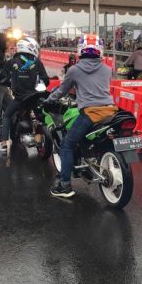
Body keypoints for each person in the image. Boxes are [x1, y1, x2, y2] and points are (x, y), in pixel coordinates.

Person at [45, 34, 115, 198]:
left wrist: (48, 99)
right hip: (110, 110)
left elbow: (62, 91)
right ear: (100, 50)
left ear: (80, 50)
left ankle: (65, 186)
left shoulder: (74, 70)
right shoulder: (107, 70)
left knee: (67, 145)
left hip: (90, 113)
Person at [0, 37, 49, 153]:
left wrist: (9, 83)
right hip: (35, 96)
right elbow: (45, 80)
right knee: (40, 117)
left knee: (7, 115)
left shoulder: (12, 62)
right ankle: (39, 137)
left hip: (20, 98)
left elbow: (1, 77)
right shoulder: (37, 62)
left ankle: (4, 143)